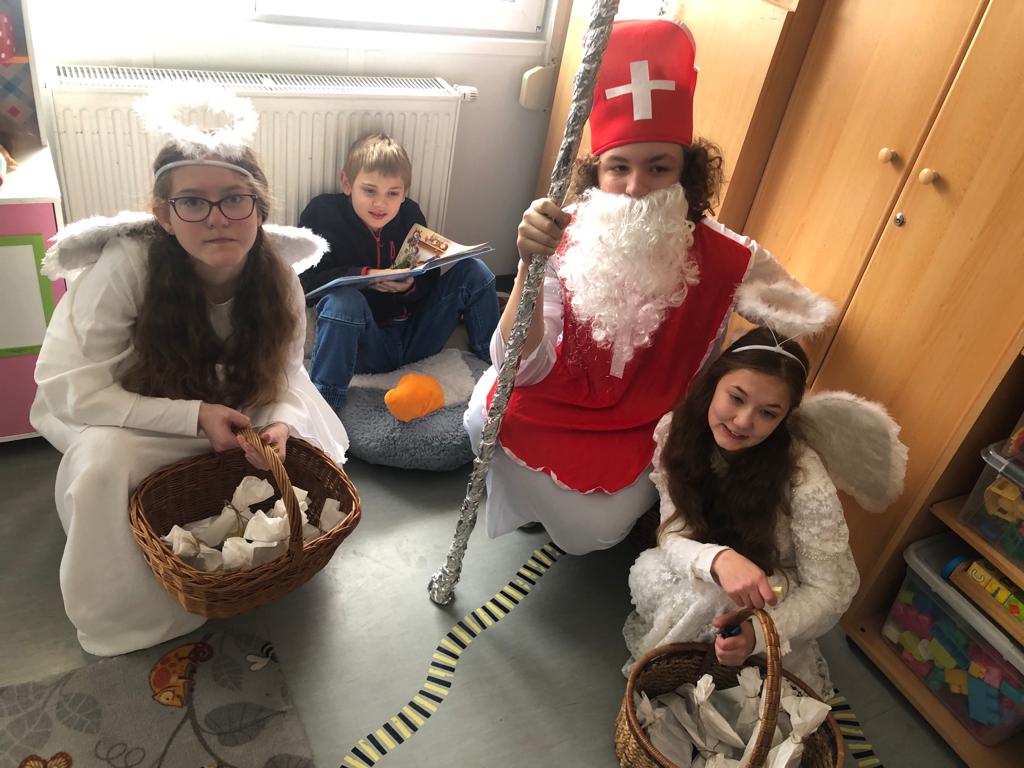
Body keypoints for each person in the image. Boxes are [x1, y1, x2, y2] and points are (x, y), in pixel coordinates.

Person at [464, 18, 834, 555]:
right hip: (551, 395)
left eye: (658, 168)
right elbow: (517, 366)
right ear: (597, 174)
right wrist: (528, 267)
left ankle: (565, 527)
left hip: (641, 421)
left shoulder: (732, 257)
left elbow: (801, 314)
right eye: (619, 168)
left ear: (686, 174)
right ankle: (527, 513)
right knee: (479, 421)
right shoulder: (563, 234)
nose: (636, 188)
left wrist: (742, 387)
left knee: (593, 529)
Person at [31, 88, 349, 657]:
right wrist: (194, 417)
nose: (217, 218)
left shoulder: (277, 277)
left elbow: (284, 377)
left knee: (295, 455)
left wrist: (278, 423)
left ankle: (232, 555)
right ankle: (130, 614)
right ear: (164, 214)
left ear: (259, 208)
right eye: (193, 202)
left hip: (236, 404)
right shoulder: (126, 266)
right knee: (102, 463)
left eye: (235, 200)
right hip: (137, 409)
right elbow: (71, 388)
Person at [621, 327, 860, 698]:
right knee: (653, 573)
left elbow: (830, 591)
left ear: (784, 418)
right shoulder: (677, 432)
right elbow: (672, 532)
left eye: (767, 413)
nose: (744, 421)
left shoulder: (803, 478)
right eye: (736, 398)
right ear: (714, 383)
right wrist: (717, 559)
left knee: (721, 607)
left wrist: (759, 634)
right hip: (712, 563)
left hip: (775, 582)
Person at [298, 133, 500, 409]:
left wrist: (410, 286)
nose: (380, 204)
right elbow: (307, 284)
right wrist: (364, 275)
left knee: (474, 270)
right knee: (342, 302)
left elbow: (429, 279)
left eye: (392, 193)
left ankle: (497, 364)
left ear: (404, 192)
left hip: (415, 335)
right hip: (363, 344)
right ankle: (325, 402)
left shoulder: (410, 214)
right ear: (347, 183)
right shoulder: (323, 213)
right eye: (370, 191)